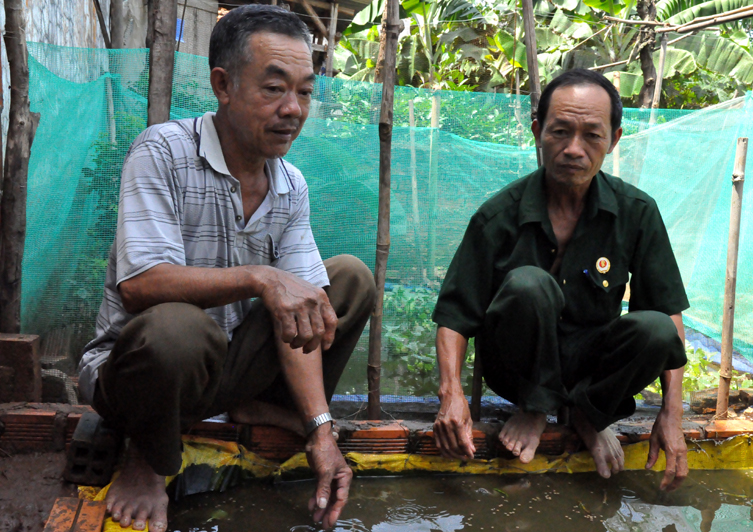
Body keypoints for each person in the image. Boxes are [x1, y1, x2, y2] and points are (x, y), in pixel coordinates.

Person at [77, 6, 376, 531]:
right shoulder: (163, 151)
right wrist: (262, 277)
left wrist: (321, 429)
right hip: (137, 377)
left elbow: (302, 313)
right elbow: (140, 286)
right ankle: (148, 459)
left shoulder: (290, 184)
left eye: (305, 92)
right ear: (223, 84)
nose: (293, 110)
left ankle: (260, 408)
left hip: (222, 369)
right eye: (274, 89)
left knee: (347, 280)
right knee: (177, 328)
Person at [431, 69, 689, 491]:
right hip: (516, 366)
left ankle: (589, 414)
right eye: (560, 132)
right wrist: (452, 395)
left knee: (657, 328)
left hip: (594, 365)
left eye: (592, 135)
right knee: (529, 284)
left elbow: (668, 315)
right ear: (538, 131)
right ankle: (534, 407)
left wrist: (671, 416)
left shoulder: (636, 212)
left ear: (614, 140)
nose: (574, 149)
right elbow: (455, 317)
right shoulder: (497, 216)